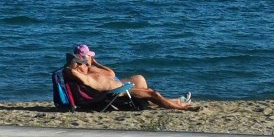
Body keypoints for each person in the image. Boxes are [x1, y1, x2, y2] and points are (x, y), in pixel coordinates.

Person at [66, 43, 194, 111]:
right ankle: (180, 106)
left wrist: (95, 63)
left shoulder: (89, 67)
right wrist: (74, 63)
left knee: (139, 79)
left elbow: (111, 74)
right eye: (89, 55)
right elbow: (69, 70)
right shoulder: (79, 73)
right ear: (81, 58)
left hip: (119, 87)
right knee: (153, 93)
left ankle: (174, 101)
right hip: (115, 93)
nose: (92, 57)